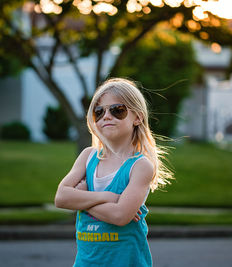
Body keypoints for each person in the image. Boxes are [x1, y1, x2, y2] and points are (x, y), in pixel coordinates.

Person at [54, 78, 173, 267]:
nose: (106, 116)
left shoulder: (140, 166)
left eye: (117, 110)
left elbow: (120, 216)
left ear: (138, 117)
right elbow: (61, 197)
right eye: (99, 112)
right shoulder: (87, 157)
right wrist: (109, 197)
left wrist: (82, 198)